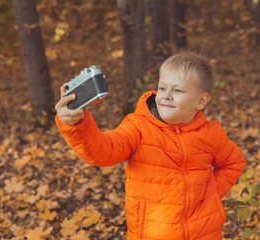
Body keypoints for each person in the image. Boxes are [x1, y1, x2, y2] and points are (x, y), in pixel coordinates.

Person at [55, 52, 246, 240]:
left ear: (201, 101)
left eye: (177, 90)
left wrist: (210, 195)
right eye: (162, 88)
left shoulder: (210, 134)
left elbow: (234, 162)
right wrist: (75, 125)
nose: (166, 96)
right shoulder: (138, 127)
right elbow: (102, 152)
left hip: (205, 233)